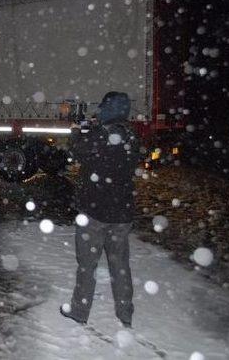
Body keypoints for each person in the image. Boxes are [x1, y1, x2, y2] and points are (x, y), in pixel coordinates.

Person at [60, 91, 141, 328]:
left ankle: (79, 312)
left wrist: (76, 129)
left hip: (94, 212)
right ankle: (125, 314)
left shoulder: (98, 135)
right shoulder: (131, 136)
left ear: (108, 109)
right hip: (122, 213)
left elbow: (75, 150)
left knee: (87, 265)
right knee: (120, 265)